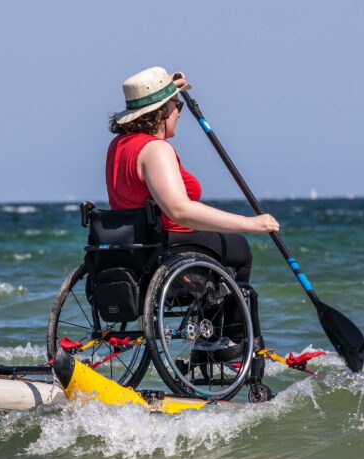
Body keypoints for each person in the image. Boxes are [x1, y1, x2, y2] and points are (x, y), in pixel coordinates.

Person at [106, 67, 280, 349]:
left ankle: (211, 331)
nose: (179, 113)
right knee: (239, 249)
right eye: (177, 107)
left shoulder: (119, 146)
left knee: (227, 246)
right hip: (166, 245)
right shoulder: (155, 150)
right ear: (161, 112)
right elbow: (180, 211)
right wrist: (250, 223)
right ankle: (226, 340)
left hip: (133, 247)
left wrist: (172, 89)